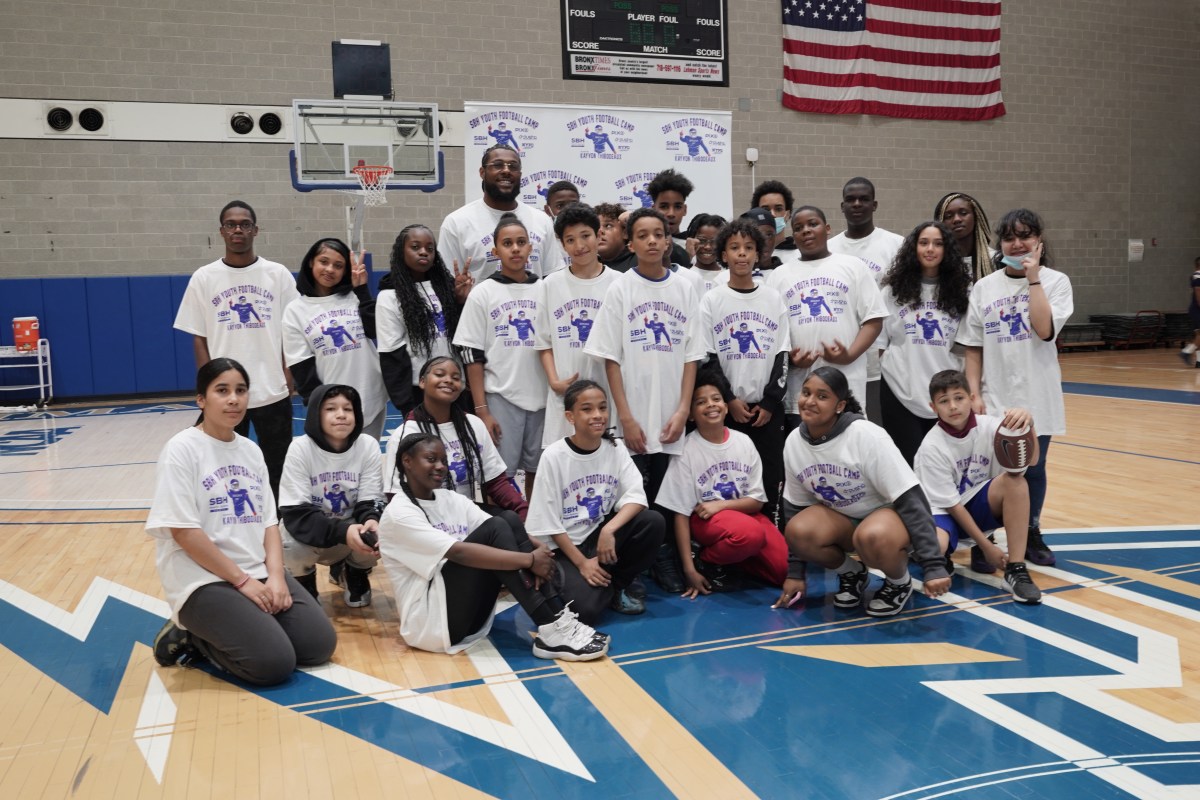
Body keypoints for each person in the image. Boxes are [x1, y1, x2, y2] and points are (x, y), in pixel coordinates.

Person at [147, 358, 337, 686]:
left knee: (318, 646)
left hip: (255, 570)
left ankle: (242, 624)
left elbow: (268, 524)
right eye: (222, 391)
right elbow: (183, 531)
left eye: (241, 390)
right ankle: (193, 635)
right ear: (201, 400)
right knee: (273, 663)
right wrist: (242, 582)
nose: (234, 399)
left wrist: (277, 577)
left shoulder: (250, 450)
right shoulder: (181, 449)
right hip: (203, 578)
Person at [378, 432, 609, 660]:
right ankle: (551, 626)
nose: (440, 466)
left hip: (469, 614)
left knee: (508, 519)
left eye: (444, 461)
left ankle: (558, 622)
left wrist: (532, 548)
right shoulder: (399, 514)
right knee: (498, 526)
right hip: (432, 625)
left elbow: (506, 529)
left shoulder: (450, 499)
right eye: (431, 459)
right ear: (406, 462)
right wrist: (530, 560)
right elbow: (460, 553)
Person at [585, 207, 706, 592]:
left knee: (665, 495)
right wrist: (626, 417)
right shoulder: (620, 288)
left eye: (659, 234)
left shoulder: (686, 287)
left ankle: (664, 557)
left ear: (668, 241)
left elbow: (691, 355)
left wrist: (684, 409)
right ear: (631, 242)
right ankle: (632, 566)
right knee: (632, 496)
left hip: (672, 411)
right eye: (643, 235)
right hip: (633, 412)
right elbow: (610, 357)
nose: (652, 240)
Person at [773, 367, 950, 617]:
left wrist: (933, 565)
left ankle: (899, 583)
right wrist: (795, 574)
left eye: (822, 396)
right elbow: (794, 509)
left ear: (839, 405)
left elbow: (911, 498)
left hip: (890, 520)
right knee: (798, 530)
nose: (810, 401)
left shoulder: (866, 436)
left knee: (872, 536)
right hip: (845, 521)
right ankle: (851, 573)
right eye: (806, 393)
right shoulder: (793, 442)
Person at [957, 208, 1074, 567]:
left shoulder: (1056, 282)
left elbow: (1044, 329)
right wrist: (974, 393)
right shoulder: (984, 287)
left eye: (1025, 236)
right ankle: (987, 537)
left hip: (1038, 394)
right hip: (994, 396)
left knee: (1033, 469)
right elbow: (973, 347)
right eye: (1010, 237)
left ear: (1039, 241)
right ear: (1000, 244)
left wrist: (1033, 279)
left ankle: (1032, 531)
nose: (1018, 243)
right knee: (991, 471)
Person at [174, 201, 299, 500]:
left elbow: (292, 331)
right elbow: (199, 338)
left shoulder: (278, 274)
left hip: (272, 389)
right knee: (222, 464)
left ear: (256, 230)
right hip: (225, 394)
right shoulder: (204, 277)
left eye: (244, 224)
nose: (238, 230)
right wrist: (210, 385)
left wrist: (289, 374)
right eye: (231, 225)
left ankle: (279, 528)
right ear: (222, 232)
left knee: (277, 466)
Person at [526, 380, 665, 619]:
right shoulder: (554, 456)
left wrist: (609, 530)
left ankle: (618, 584)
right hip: (564, 546)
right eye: (587, 409)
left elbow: (636, 497)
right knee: (588, 610)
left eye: (602, 407)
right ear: (570, 416)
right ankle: (581, 579)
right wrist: (581, 563)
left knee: (653, 521)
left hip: (597, 536)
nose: (598, 415)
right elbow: (548, 523)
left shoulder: (615, 447)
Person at [656, 370, 788, 598]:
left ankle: (733, 561)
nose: (711, 405)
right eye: (701, 402)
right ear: (690, 414)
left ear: (726, 406)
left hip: (742, 515)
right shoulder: (686, 450)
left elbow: (756, 502)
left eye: (716, 399)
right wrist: (689, 569)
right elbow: (680, 514)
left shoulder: (743, 442)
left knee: (783, 570)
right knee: (750, 534)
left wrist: (721, 506)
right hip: (705, 522)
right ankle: (706, 561)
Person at [914, 370, 1042, 603]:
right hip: (940, 511)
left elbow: (1031, 462)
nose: (953, 406)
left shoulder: (992, 427)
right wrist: (986, 547)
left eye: (959, 398)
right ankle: (934, 556)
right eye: (944, 401)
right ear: (934, 408)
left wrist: (1028, 424)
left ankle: (1016, 569)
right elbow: (952, 506)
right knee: (935, 546)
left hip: (973, 504)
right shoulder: (931, 447)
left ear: (972, 398)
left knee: (1017, 482)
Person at [699, 218, 789, 520]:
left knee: (770, 475)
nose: (741, 254)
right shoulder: (711, 299)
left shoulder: (773, 298)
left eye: (748, 248)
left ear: (758, 254)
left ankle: (774, 536)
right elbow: (708, 357)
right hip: (728, 408)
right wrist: (729, 400)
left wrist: (770, 401)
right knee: (733, 480)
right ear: (723, 254)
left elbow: (782, 354)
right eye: (734, 248)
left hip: (766, 409)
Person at [766, 206, 887, 428]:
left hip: (847, 384)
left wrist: (849, 354)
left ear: (828, 229)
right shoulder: (779, 276)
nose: (806, 231)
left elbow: (874, 319)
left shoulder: (853, 266)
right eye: (799, 227)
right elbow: (773, 334)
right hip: (800, 392)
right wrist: (791, 361)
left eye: (813, 224)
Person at [454, 213, 547, 496]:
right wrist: (482, 409)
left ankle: (535, 529)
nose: (515, 248)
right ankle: (505, 534)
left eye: (521, 242)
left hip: (544, 398)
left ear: (531, 248)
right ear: (496, 251)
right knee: (499, 476)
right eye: (507, 243)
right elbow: (471, 354)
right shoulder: (483, 293)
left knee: (539, 471)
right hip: (500, 397)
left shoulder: (547, 288)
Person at [278, 383, 384, 608]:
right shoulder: (300, 449)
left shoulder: (367, 446)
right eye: (330, 409)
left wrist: (372, 522)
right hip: (313, 532)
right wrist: (343, 532)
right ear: (316, 413)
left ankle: (354, 572)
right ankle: (304, 581)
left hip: (349, 529)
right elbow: (296, 514)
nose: (341, 415)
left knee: (380, 531)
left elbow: (370, 500)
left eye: (348, 409)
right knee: (289, 543)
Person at [382, 356, 528, 519]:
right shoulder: (405, 434)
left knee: (510, 521)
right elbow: (395, 496)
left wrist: (523, 510)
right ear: (422, 382)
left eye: (456, 378)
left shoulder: (473, 425)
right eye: (439, 374)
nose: (448, 380)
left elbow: (496, 482)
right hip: (424, 519)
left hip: (466, 514)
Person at [876, 221, 971, 466]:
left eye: (938, 244)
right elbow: (880, 345)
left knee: (943, 465)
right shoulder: (892, 291)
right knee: (909, 464)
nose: (930, 249)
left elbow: (967, 347)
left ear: (947, 250)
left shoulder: (963, 291)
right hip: (900, 391)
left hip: (945, 394)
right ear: (913, 248)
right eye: (924, 242)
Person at [282, 238, 387, 439]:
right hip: (331, 406)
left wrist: (363, 291)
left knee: (367, 465)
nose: (330, 269)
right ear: (311, 262)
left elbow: (375, 331)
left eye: (338, 265)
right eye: (324, 262)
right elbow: (301, 368)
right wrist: (322, 405)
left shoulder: (354, 297)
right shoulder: (295, 311)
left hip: (371, 396)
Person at [537, 203, 620, 447]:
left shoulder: (619, 283)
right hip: (565, 394)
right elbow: (543, 342)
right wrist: (554, 381)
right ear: (562, 245)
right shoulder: (550, 285)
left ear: (598, 235)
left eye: (586, 236)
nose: (579, 246)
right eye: (570, 240)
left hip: (609, 395)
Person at [829, 178, 905, 425]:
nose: (857, 204)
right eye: (850, 199)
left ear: (875, 204)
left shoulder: (896, 245)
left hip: (882, 362)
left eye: (863, 199)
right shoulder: (830, 248)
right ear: (842, 206)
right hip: (841, 357)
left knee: (881, 431)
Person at [376, 224, 471, 419]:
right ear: (401, 252)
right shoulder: (390, 297)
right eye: (415, 246)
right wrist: (405, 404)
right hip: (418, 391)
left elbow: (464, 336)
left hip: (456, 386)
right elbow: (391, 353)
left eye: (429, 248)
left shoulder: (447, 287)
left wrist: (461, 301)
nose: (423, 252)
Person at [438, 145, 560, 282]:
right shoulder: (456, 223)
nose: (506, 170)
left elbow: (552, 279)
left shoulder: (541, 220)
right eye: (498, 165)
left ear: (520, 174)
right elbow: (445, 284)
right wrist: (459, 297)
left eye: (513, 166)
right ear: (482, 172)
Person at [934, 192, 995, 282]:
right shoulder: (936, 263)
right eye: (948, 216)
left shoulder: (994, 259)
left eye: (963, 213)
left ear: (976, 217)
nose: (957, 219)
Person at [647, 168, 694, 266]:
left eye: (677, 206)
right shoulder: (642, 244)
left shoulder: (695, 248)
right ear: (653, 209)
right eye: (664, 206)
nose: (671, 213)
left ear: (685, 210)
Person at [751, 179, 797, 262]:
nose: (772, 214)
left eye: (778, 209)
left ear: (788, 214)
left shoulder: (800, 254)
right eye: (766, 209)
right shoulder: (747, 256)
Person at [682, 213, 727, 293]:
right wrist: (687, 256)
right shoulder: (683, 274)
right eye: (702, 241)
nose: (707, 247)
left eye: (714, 242)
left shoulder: (727, 276)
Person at [595, 201, 637, 273]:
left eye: (608, 226)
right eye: (595, 227)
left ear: (625, 233)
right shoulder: (589, 266)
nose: (600, 231)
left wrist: (635, 218)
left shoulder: (642, 259)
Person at [1180, 256, 1200, 367]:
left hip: (1195, 309)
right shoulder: (1197, 276)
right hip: (1197, 309)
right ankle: (1186, 352)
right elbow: (1198, 293)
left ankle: (1199, 361)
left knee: (1199, 336)